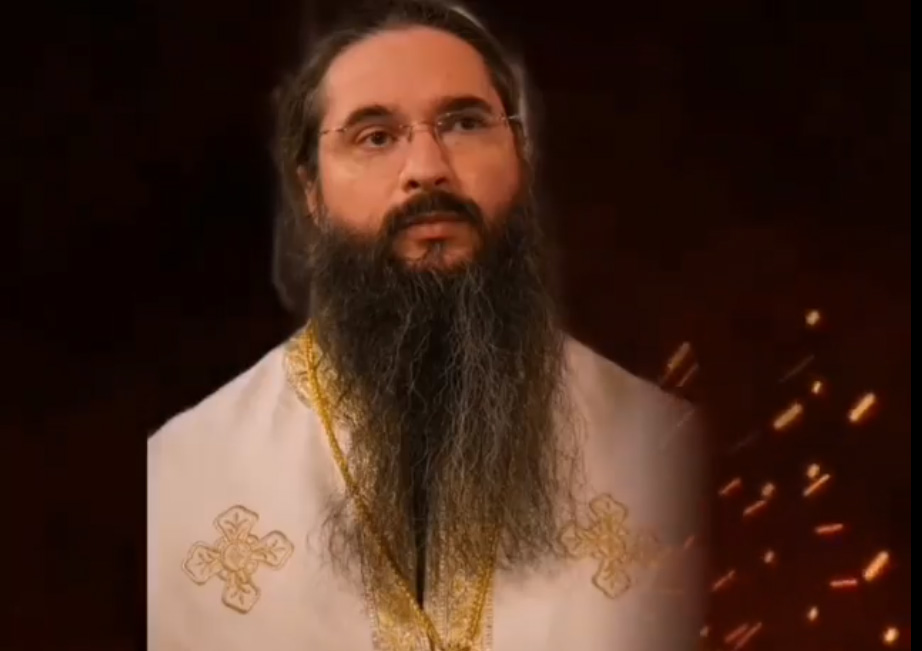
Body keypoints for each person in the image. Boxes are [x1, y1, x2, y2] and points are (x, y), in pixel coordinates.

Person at [147, 1, 706, 649]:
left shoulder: (667, 450)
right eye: (375, 136)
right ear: (311, 192)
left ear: (522, 157)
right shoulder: (180, 479)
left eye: (465, 123)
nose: (427, 168)